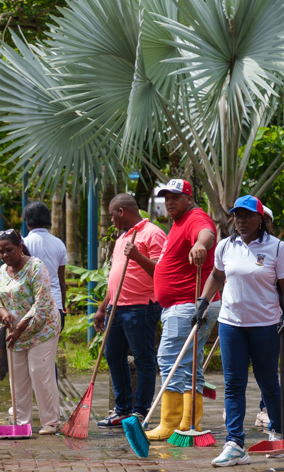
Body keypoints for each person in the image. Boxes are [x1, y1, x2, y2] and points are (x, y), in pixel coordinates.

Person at [196, 195, 284, 466]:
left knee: (268, 383)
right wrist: (203, 301)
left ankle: (277, 432)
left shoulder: (277, 248)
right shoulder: (225, 246)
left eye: (247, 216)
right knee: (234, 385)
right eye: (237, 216)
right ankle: (235, 443)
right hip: (231, 325)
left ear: (260, 219)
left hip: (265, 325)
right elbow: (217, 276)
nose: (241, 221)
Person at [148, 178, 217, 441]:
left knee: (168, 359)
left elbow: (206, 233)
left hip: (189, 304)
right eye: (166, 197)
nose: (169, 201)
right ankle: (188, 423)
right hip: (179, 306)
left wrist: (201, 245)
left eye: (175, 197)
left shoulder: (196, 217)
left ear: (189, 198)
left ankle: (169, 423)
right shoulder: (177, 224)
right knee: (188, 365)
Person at [92, 194, 167, 427]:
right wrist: (102, 307)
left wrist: (137, 255)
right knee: (113, 355)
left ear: (121, 211)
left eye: (111, 215)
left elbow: (160, 272)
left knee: (144, 359)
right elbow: (115, 277)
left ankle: (140, 412)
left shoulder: (153, 233)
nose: (110, 220)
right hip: (116, 307)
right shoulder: (121, 237)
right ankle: (123, 409)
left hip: (141, 307)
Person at [0, 229, 62, 434]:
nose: (5, 255)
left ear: (20, 247)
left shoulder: (35, 267)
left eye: (9, 250)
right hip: (14, 332)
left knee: (39, 372)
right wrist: (3, 313)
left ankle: (50, 421)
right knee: (18, 376)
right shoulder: (1, 272)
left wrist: (20, 328)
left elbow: (41, 303)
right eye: (1, 251)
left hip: (41, 329)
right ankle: (22, 422)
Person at [21, 201, 69, 326]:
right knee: (52, 345)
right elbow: (61, 281)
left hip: (29, 305)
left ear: (27, 221)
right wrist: (63, 306)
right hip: (55, 303)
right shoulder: (59, 244)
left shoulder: (22, 244)